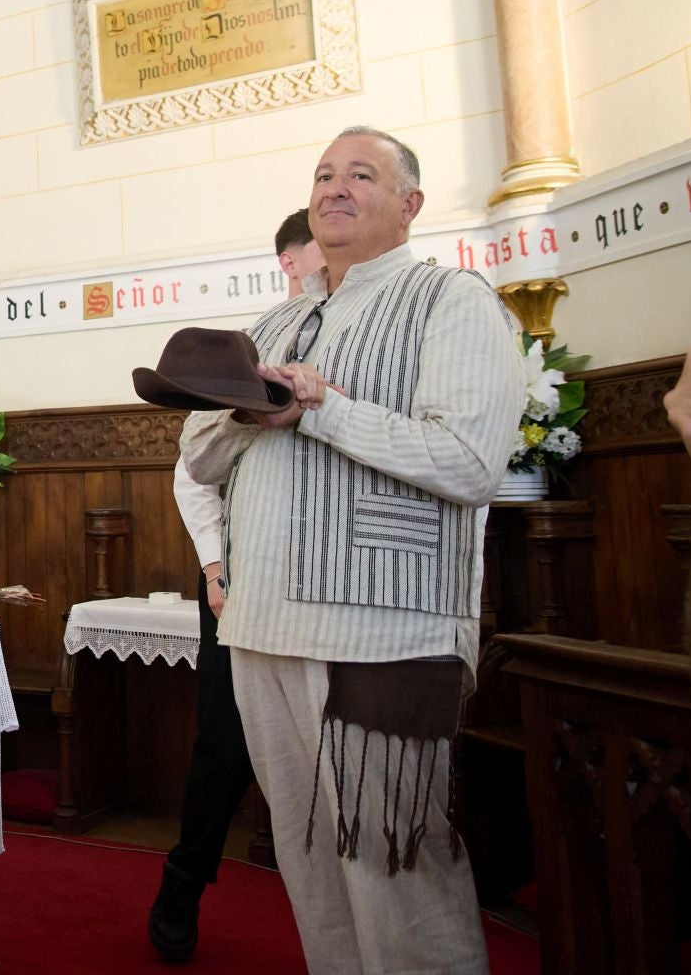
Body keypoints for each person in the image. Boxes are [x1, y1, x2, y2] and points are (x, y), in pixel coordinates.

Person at [179, 127, 524, 974]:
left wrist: (322, 409)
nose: (335, 187)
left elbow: (470, 461)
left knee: (394, 867)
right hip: (261, 625)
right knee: (310, 864)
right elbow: (199, 458)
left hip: (382, 631)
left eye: (361, 175)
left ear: (410, 204)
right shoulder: (276, 321)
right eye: (324, 174)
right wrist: (251, 414)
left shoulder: (451, 300)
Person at [149, 208, 325, 962]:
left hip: (323, 575)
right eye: (320, 249)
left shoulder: (366, 333)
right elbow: (195, 475)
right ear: (290, 260)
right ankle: (182, 884)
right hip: (239, 574)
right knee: (224, 743)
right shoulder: (252, 344)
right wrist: (217, 569)